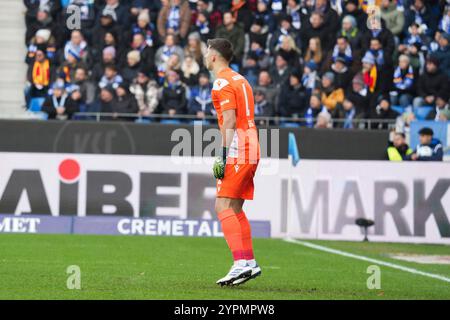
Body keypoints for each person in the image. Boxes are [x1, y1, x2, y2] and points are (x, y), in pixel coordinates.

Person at [204, 38, 261, 286]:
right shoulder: (240, 79)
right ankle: (248, 262)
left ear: (214, 56)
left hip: (239, 146)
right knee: (235, 208)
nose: (205, 56)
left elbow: (229, 119)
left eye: (207, 51)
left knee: (222, 206)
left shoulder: (221, 81)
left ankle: (239, 264)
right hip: (253, 143)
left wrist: (223, 153)